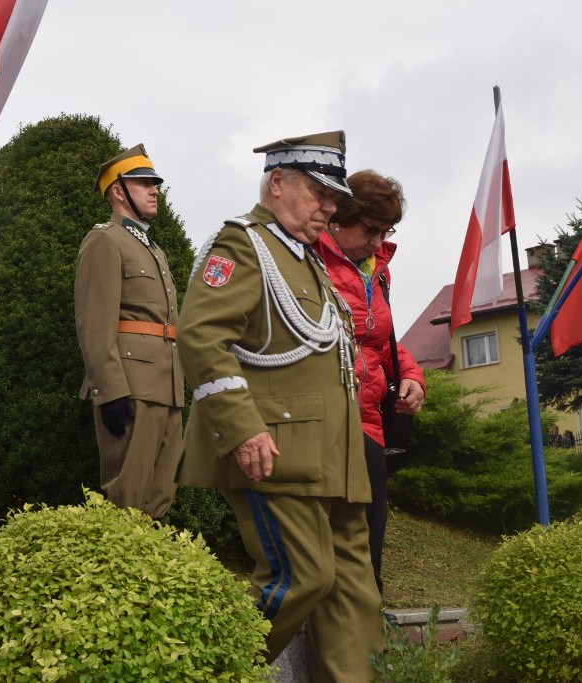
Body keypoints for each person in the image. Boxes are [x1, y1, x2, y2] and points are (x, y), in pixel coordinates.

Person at [176, 131, 383, 681]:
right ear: (277, 183)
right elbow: (200, 336)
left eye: (334, 198)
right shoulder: (243, 246)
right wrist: (242, 428)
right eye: (319, 193)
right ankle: (205, 673)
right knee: (302, 577)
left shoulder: (306, 260)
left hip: (332, 455)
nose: (330, 207)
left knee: (352, 591)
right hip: (276, 449)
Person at [311, 169, 425, 595]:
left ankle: (368, 625)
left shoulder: (378, 270)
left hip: (369, 422)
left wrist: (412, 376)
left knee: (369, 545)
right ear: (339, 217)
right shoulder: (307, 258)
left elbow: (381, 341)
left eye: (386, 231)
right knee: (329, 549)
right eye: (371, 230)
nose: (378, 242)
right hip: (325, 418)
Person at [74, 144, 183, 519]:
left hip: (166, 384)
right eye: (144, 184)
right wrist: (109, 391)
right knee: (128, 497)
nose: (154, 191)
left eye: (155, 184)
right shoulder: (105, 240)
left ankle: (148, 558)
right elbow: (94, 323)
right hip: (132, 383)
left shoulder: (153, 248)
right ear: (119, 191)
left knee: (160, 495)